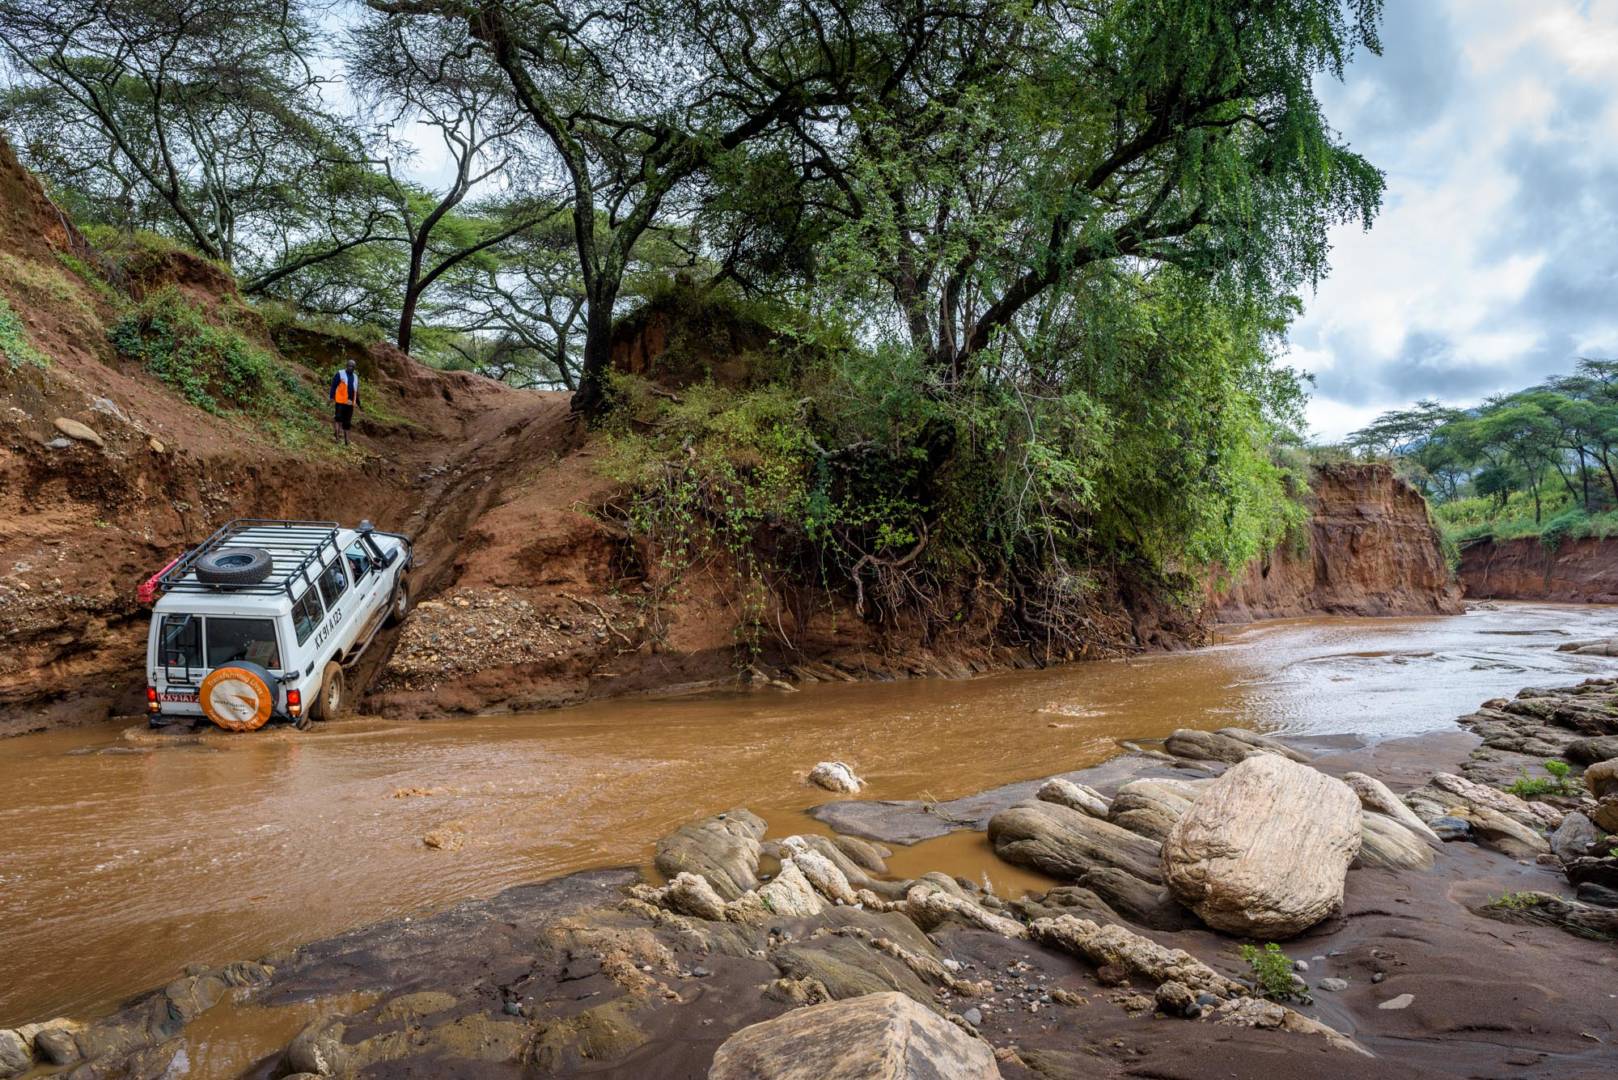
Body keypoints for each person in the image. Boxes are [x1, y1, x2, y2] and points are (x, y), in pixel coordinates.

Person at [329, 359, 359, 445]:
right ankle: (337, 437)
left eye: (353, 367)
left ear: (354, 368)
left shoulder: (356, 377)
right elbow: (333, 386)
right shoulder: (340, 373)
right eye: (349, 366)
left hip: (350, 403)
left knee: (347, 422)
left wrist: (357, 402)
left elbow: (356, 390)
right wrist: (331, 397)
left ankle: (346, 441)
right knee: (338, 418)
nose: (351, 368)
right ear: (346, 365)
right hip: (340, 401)